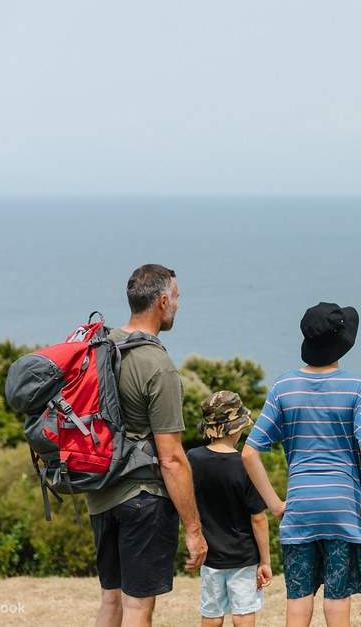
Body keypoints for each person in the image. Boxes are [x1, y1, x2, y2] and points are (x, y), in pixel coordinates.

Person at [242, 302, 361, 627]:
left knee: (298, 603)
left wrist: (277, 505)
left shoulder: (283, 387)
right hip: (343, 510)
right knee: (336, 603)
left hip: (300, 509)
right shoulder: (357, 389)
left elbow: (249, 453)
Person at [87, 264, 208, 627]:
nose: (178, 305)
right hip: (143, 498)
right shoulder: (158, 366)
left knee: (111, 599)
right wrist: (194, 530)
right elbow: (172, 459)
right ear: (161, 301)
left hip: (99, 491)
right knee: (138, 608)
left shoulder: (101, 344)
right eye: (176, 297)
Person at [188, 391, 272, 627]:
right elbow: (258, 519)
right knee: (243, 615)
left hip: (210, 555)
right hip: (243, 556)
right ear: (236, 428)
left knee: (211, 615)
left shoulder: (192, 459)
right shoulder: (245, 464)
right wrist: (265, 561)